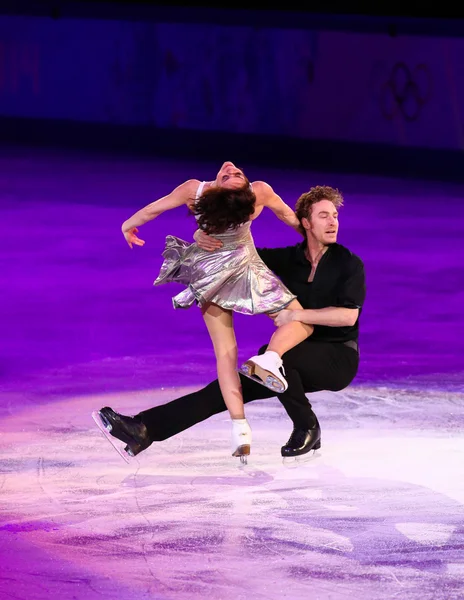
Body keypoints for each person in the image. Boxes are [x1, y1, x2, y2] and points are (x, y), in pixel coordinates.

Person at [92, 185, 366, 463]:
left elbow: (347, 316)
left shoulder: (348, 263)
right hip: (294, 355)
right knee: (225, 389)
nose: (333, 222)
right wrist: (202, 236)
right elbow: (234, 254)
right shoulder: (289, 259)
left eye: (334, 216)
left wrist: (297, 316)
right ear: (306, 223)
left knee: (275, 359)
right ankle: (144, 428)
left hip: (338, 357)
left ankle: (307, 426)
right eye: (324, 216)